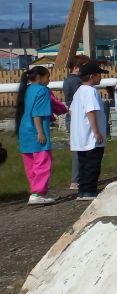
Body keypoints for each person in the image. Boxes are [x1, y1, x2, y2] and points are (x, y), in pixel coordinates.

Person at [69, 61, 108, 200]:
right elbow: (91, 111)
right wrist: (96, 131)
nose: (101, 78)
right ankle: (89, 191)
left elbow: (71, 111)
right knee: (93, 164)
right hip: (91, 136)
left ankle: (82, 190)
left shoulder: (79, 91)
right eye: (99, 75)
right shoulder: (91, 91)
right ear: (92, 76)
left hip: (80, 136)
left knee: (83, 164)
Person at [17, 65, 54, 205]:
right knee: (43, 163)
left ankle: (35, 191)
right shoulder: (42, 90)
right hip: (36, 130)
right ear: (40, 77)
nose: (49, 79)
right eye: (48, 76)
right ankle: (38, 192)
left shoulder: (27, 89)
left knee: (30, 164)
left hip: (24, 131)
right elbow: (37, 113)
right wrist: (40, 132)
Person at [62, 55, 88, 192]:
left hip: (71, 117)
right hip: (77, 118)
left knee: (77, 149)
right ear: (77, 67)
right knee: (80, 150)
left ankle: (78, 178)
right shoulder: (77, 82)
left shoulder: (68, 80)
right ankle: (77, 179)